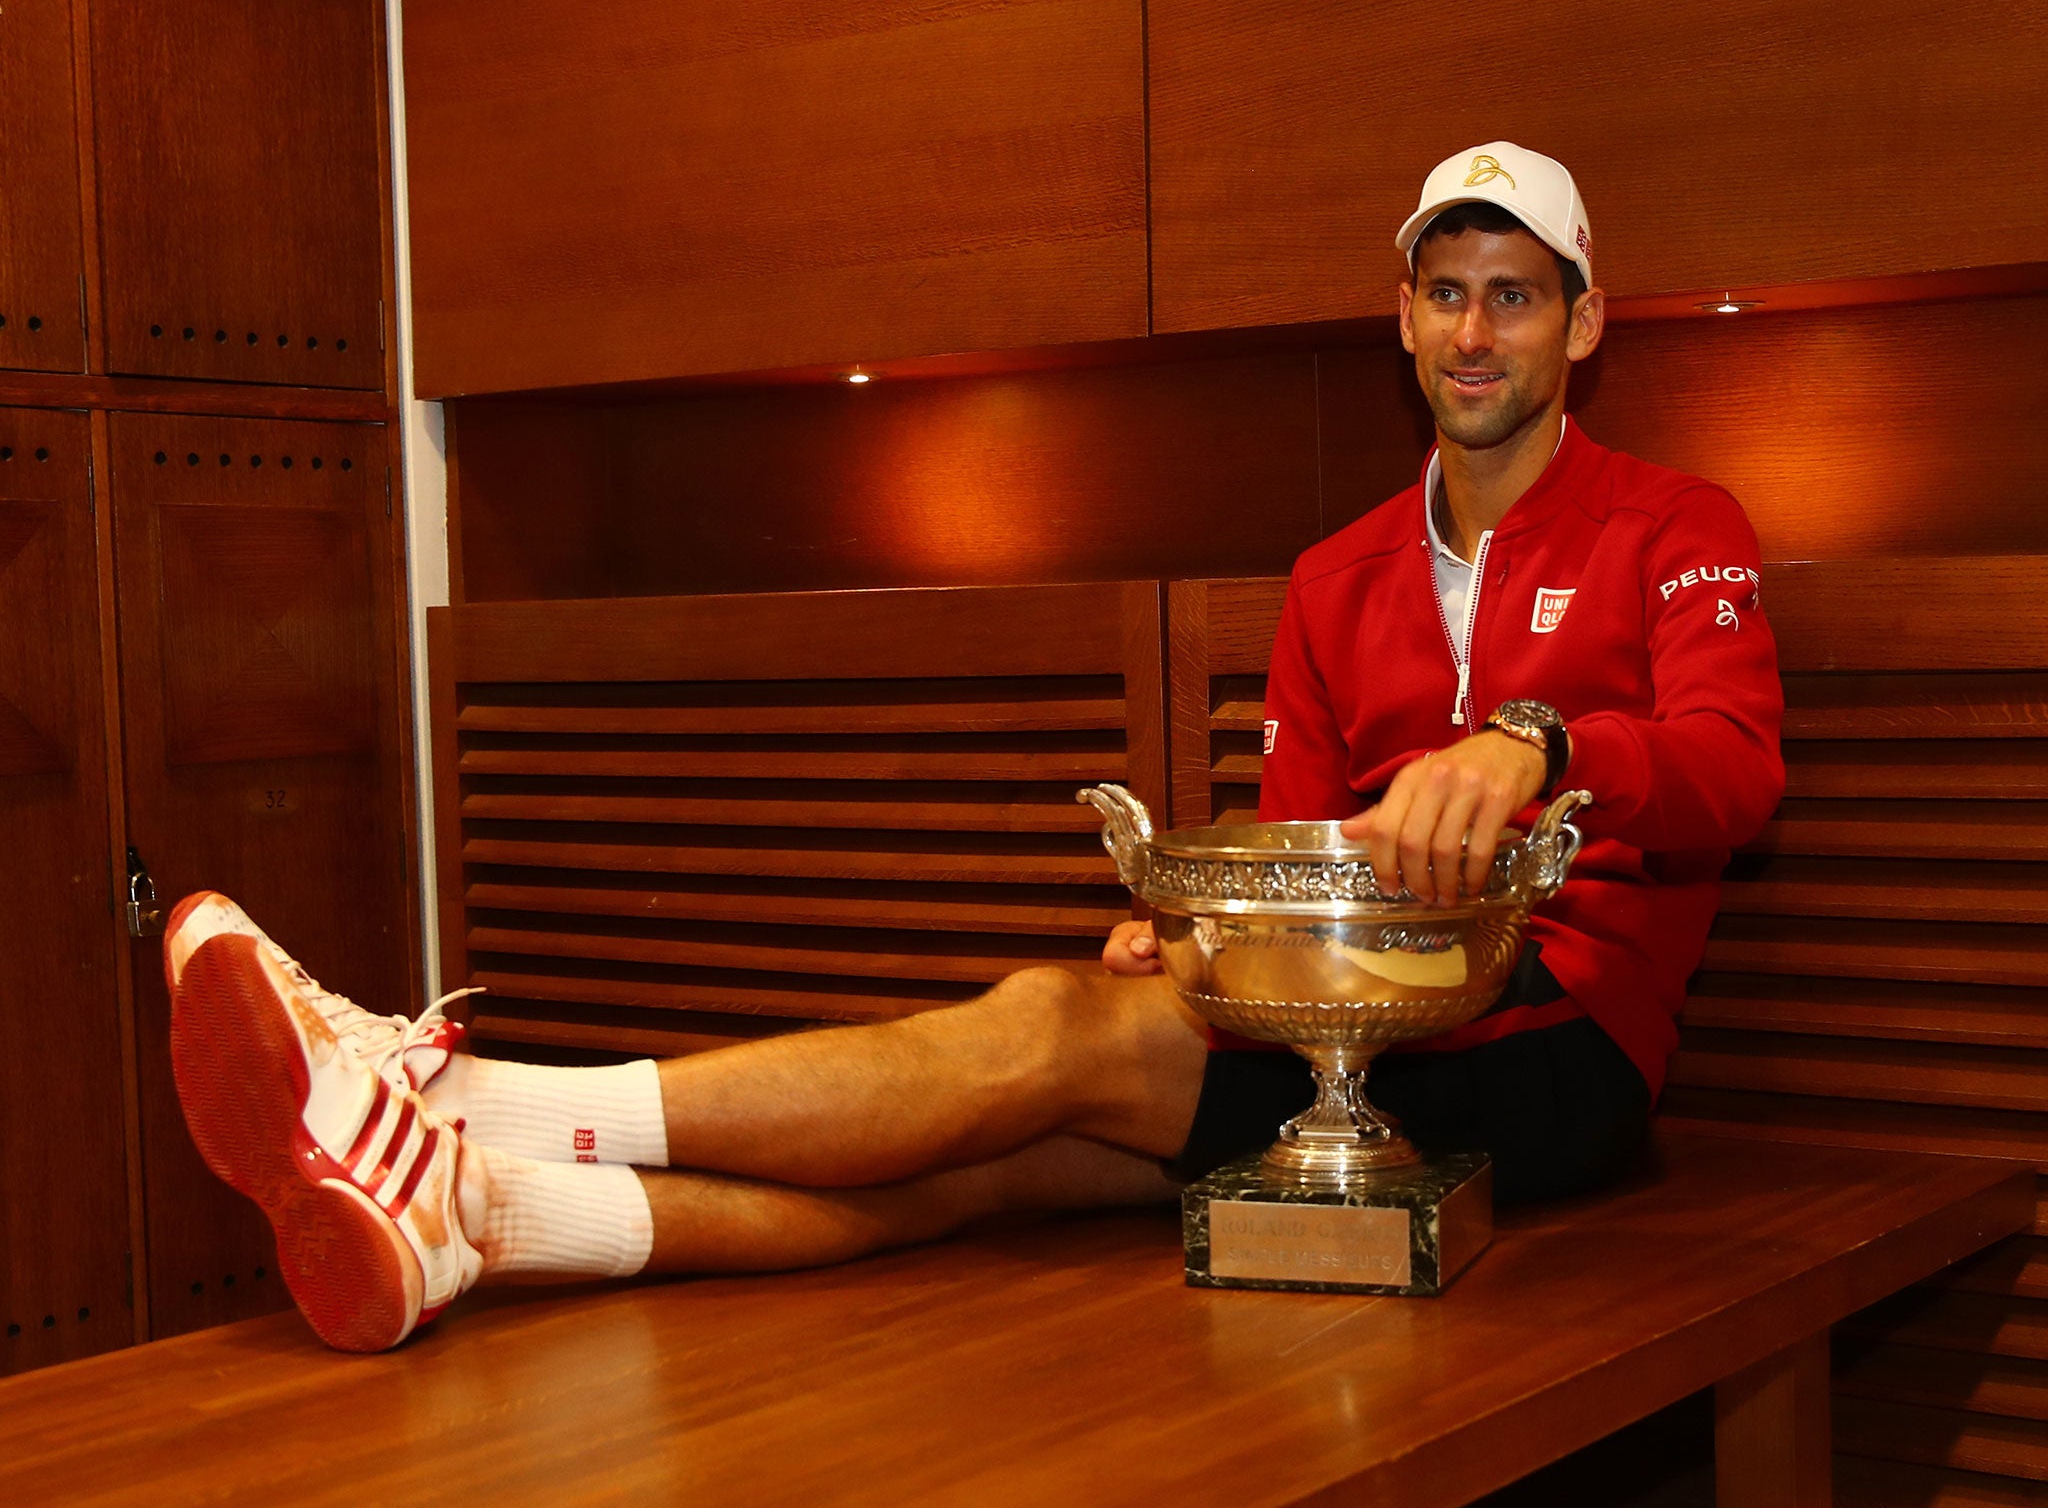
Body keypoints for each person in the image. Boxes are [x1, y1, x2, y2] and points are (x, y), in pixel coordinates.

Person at [164, 141, 1783, 1353]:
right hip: (1336, 1032)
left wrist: (1535, 744)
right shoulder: (1332, 573)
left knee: (1045, 1031)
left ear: (1582, 326)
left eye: (1516, 292)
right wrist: (1210, 939)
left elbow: (1733, 766)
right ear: (1405, 322)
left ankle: (457, 1097)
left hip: (1559, 1052)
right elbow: (1296, 833)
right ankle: (488, 1224)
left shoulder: (1674, 525)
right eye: (1448, 292)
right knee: (987, 1167)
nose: (1477, 328)